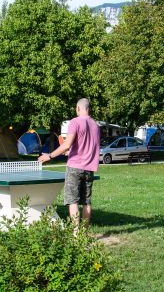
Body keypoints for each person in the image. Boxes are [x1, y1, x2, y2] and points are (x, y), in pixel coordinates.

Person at [38, 98, 100, 232]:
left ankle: (76, 233)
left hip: (75, 167)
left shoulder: (75, 121)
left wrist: (49, 156)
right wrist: (71, 151)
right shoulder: (95, 125)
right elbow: (87, 145)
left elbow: (66, 144)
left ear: (78, 108)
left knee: (73, 201)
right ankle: (85, 232)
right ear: (89, 108)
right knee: (86, 202)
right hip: (89, 168)